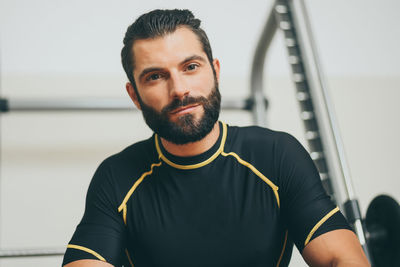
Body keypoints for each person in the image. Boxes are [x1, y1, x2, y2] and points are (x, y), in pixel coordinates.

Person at [63, 9, 369, 267]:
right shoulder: (116, 177)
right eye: (155, 76)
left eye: (191, 67)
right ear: (135, 95)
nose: (179, 89)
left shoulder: (277, 155)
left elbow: (341, 258)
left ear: (215, 71)